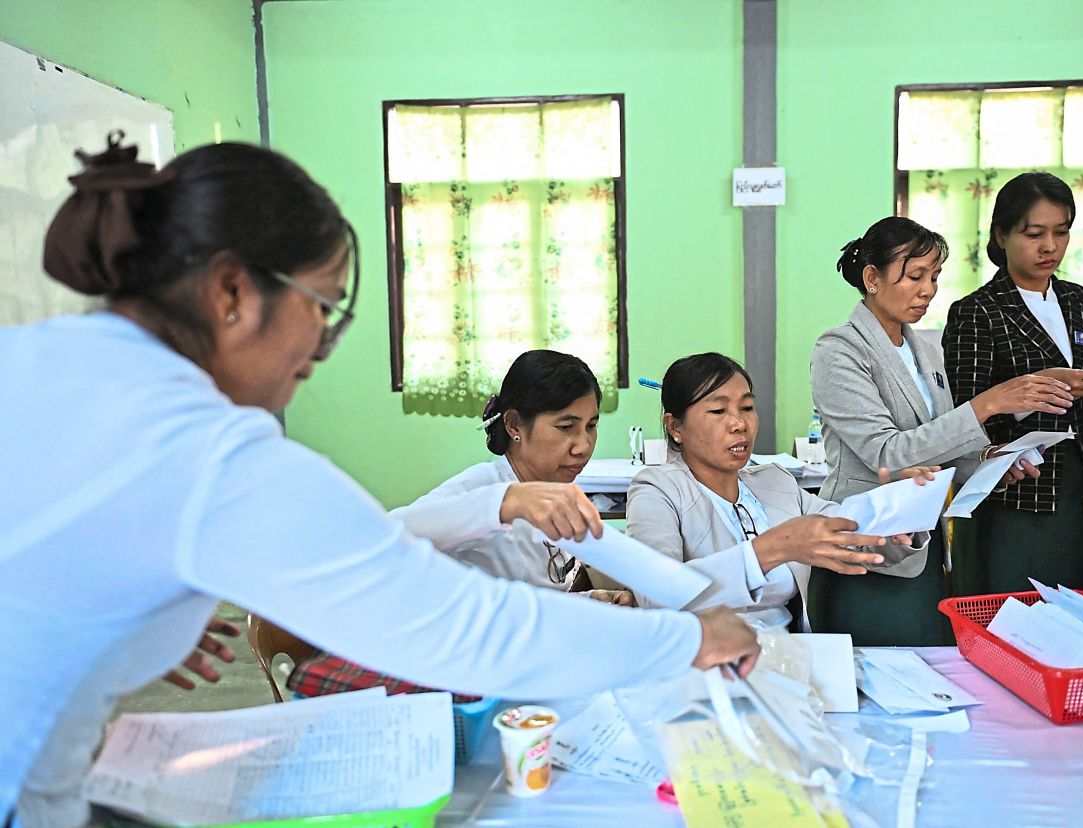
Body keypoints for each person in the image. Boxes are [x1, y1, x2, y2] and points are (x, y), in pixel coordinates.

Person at [0, 135, 759, 827]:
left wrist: (127, 623)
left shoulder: (39, 359)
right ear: (232, 293)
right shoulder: (210, 451)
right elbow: (468, 629)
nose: (323, 346)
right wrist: (684, 636)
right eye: (324, 306)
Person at [809, 217, 1075, 645]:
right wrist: (988, 403)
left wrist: (989, 462)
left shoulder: (926, 352)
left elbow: (941, 446)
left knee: (927, 670)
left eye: (934, 277)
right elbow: (888, 455)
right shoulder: (839, 350)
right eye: (915, 276)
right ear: (872, 278)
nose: (928, 289)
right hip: (863, 547)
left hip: (921, 546)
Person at [943, 171, 1083, 594]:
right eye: (1034, 233)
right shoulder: (978, 311)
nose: (1049, 246)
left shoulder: (1079, 301)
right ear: (1001, 235)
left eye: (1061, 232)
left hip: (1079, 481)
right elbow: (964, 413)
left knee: (1072, 607)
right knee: (1008, 608)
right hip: (1015, 487)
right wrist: (1036, 394)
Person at [626, 352, 930, 631]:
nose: (739, 424)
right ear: (675, 426)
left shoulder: (776, 484)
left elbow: (852, 530)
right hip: (703, 664)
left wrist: (896, 512)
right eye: (718, 410)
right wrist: (771, 550)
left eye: (747, 408)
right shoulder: (657, 490)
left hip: (788, 657)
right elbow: (658, 594)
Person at [390, 349, 630, 601]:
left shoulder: (554, 490)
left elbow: (533, 601)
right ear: (514, 424)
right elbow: (389, 533)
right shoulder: (485, 486)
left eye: (591, 426)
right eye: (566, 427)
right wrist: (504, 503)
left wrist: (592, 600)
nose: (583, 446)